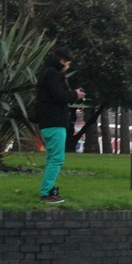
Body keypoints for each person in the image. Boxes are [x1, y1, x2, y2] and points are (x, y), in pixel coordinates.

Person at [35, 46, 85, 203]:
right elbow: (60, 96)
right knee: (56, 158)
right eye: (68, 63)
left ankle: (49, 189)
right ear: (62, 61)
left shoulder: (46, 72)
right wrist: (75, 95)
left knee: (52, 158)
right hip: (54, 122)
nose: (68, 67)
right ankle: (47, 192)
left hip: (47, 122)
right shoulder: (53, 74)